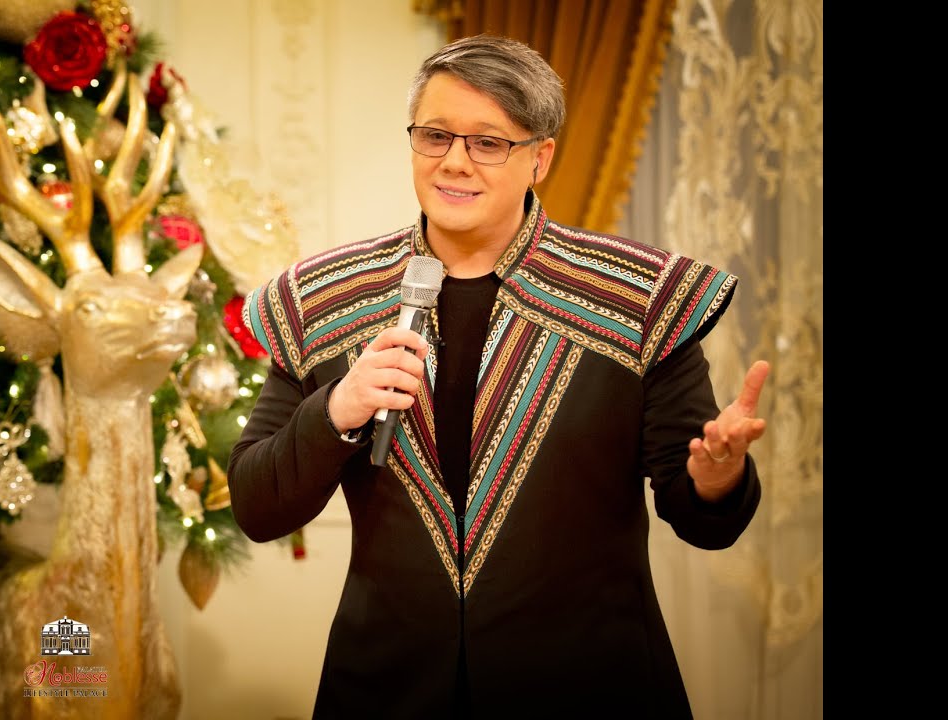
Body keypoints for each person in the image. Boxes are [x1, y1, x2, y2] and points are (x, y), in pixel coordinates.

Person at [227, 33, 769, 719]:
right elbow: (257, 506)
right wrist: (336, 409)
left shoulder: (639, 299)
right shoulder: (327, 299)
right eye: (435, 135)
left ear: (541, 157)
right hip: (386, 690)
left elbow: (702, 521)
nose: (454, 161)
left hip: (590, 690)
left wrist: (717, 480)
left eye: (488, 142)